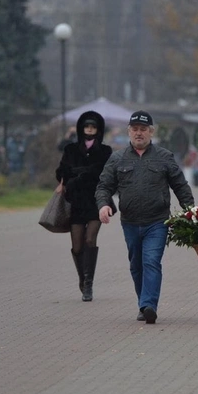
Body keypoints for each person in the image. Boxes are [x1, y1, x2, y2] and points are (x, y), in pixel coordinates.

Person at [96, 110, 194, 324]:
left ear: (151, 132)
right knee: (136, 265)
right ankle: (143, 302)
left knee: (151, 261)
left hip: (157, 221)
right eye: (135, 130)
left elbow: (180, 186)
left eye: (143, 130)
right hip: (130, 222)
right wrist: (103, 205)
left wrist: (191, 211)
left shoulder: (164, 157)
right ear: (129, 132)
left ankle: (149, 305)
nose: (139, 133)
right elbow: (104, 186)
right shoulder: (117, 158)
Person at [55, 111, 113, 302]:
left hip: (96, 200)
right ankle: (82, 277)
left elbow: (103, 173)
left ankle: (88, 284)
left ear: (99, 129)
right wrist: (72, 177)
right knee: (77, 246)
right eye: (87, 126)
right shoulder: (71, 149)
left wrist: (78, 174)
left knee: (90, 240)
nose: (90, 130)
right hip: (76, 202)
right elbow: (62, 171)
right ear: (81, 128)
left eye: (93, 127)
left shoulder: (105, 151)